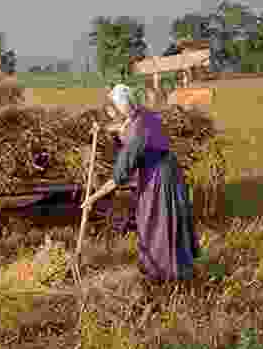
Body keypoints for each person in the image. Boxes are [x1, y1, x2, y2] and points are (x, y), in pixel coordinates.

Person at [81, 84, 199, 281]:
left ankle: (163, 272)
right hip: (168, 169)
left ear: (122, 106)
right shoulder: (142, 114)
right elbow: (123, 126)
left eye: (116, 108)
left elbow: (119, 177)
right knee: (158, 218)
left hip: (159, 177)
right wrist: (103, 129)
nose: (115, 113)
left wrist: (92, 198)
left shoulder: (136, 133)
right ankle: (174, 267)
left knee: (156, 220)